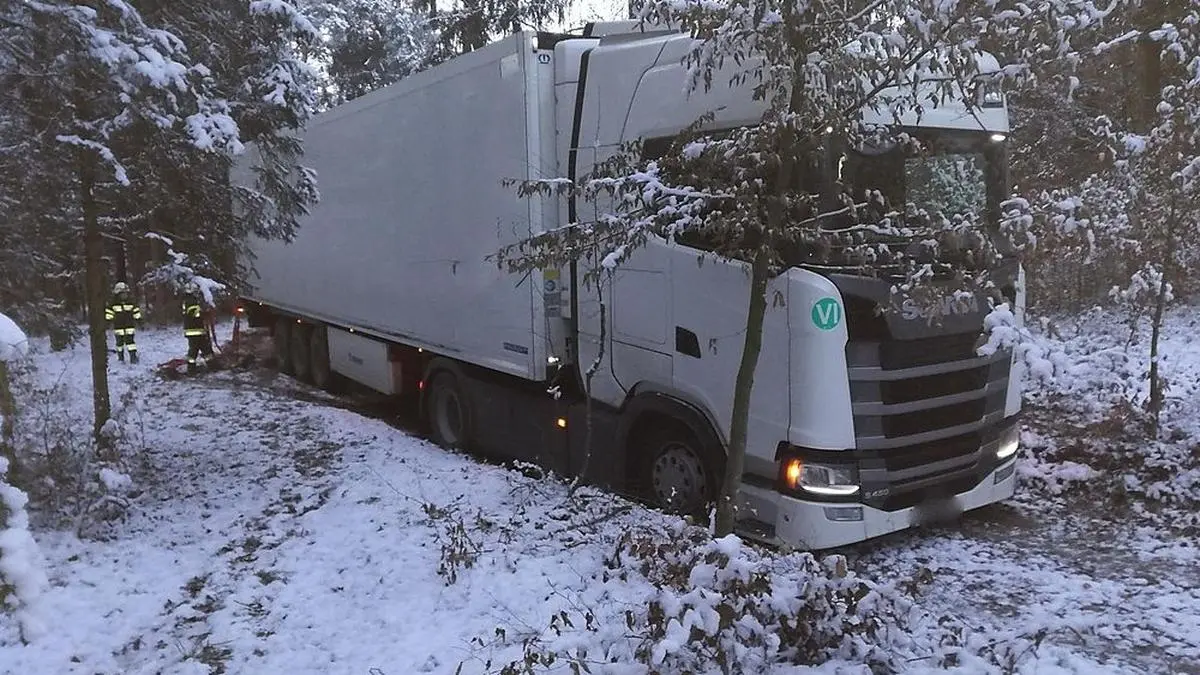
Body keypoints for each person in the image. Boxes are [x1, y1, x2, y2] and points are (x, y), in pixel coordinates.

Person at [104, 282, 142, 364]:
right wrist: (107, 323)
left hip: (129, 326)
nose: (124, 295)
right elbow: (109, 314)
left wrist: (139, 321)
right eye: (122, 293)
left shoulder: (131, 302)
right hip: (118, 327)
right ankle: (120, 358)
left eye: (126, 293)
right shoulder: (113, 304)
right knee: (119, 344)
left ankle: (133, 357)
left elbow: (136, 312)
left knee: (131, 343)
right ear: (117, 294)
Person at [182, 284, 213, 373]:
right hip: (194, 330)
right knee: (194, 350)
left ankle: (211, 365)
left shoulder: (187, 300)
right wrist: (204, 313)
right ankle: (191, 369)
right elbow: (195, 313)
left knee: (204, 348)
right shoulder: (190, 301)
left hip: (195, 330)